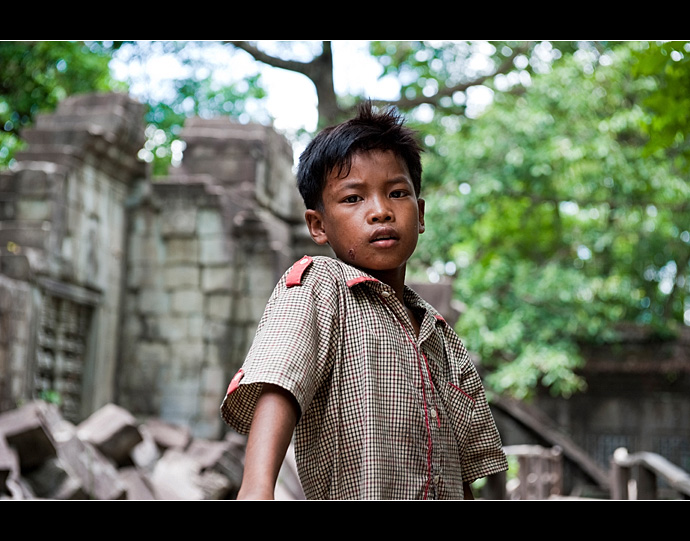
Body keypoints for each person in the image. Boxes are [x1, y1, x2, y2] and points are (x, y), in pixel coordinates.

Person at [220, 101, 508, 500]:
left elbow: (464, 468)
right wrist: (256, 490)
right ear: (318, 225)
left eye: (396, 192)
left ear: (420, 215)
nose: (380, 211)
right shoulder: (323, 284)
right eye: (353, 198)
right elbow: (280, 383)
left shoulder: (440, 335)